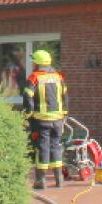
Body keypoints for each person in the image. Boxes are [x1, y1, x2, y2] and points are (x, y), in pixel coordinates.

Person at [22, 50, 68, 189]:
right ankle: (59, 179)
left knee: (42, 148)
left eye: (34, 62)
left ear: (37, 63)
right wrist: (64, 114)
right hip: (58, 120)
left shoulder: (34, 78)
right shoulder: (59, 77)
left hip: (41, 121)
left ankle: (41, 181)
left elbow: (27, 97)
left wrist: (28, 115)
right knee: (56, 147)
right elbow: (65, 96)